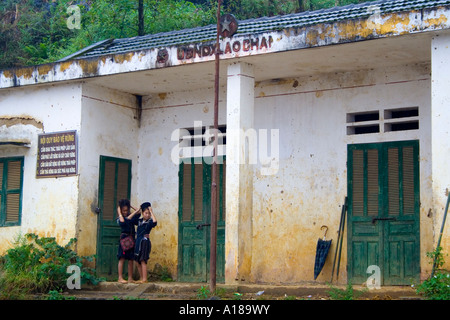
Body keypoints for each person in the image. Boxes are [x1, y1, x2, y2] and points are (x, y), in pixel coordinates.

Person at [117, 198, 140, 284]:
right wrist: (119, 213)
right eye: (123, 210)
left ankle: (130, 278)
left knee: (131, 259)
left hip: (131, 239)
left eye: (127, 210)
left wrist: (131, 206)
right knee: (122, 258)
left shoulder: (131, 216)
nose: (125, 212)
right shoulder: (120, 218)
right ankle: (120, 277)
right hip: (124, 239)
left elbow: (138, 212)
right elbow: (124, 221)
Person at [134, 202, 157, 283]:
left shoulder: (150, 222)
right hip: (138, 242)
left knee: (143, 260)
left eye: (148, 213)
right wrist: (139, 209)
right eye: (146, 213)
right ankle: (141, 278)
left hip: (144, 242)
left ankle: (144, 279)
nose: (147, 215)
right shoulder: (139, 221)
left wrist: (152, 212)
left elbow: (155, 222)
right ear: (142, 213)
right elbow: (132, 218)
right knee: (137, 261)